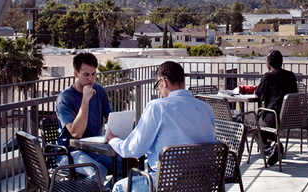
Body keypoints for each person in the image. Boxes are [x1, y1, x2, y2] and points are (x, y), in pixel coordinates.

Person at [106, 61, 216, 192]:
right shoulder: (206, 108)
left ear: (164, 82)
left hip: (168, 184)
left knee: (120, 186)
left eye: (157, 85)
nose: (158, 90)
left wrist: (113, 140)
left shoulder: (157, 107)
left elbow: (133, 150)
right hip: (202, 183)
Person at [55, 52, 116, 178]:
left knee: (127, 163)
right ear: (76, 74)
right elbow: (76, 133)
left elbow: (111, 118)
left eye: (94, 74)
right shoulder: (64, 98)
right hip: (70, 152)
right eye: (86, 75)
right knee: (98, 172)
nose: (91, 79)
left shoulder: (99, 90)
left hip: (95, 148)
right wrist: (85, 101)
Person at [255, 49, 297, 166]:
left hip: (273, 117)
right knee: (260, 125)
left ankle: (269, 149)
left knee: (253, 126)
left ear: (269, 63)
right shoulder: (291, 76)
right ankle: (276, 145)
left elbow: (257, 95)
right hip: (290, 117)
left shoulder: (268, 77)